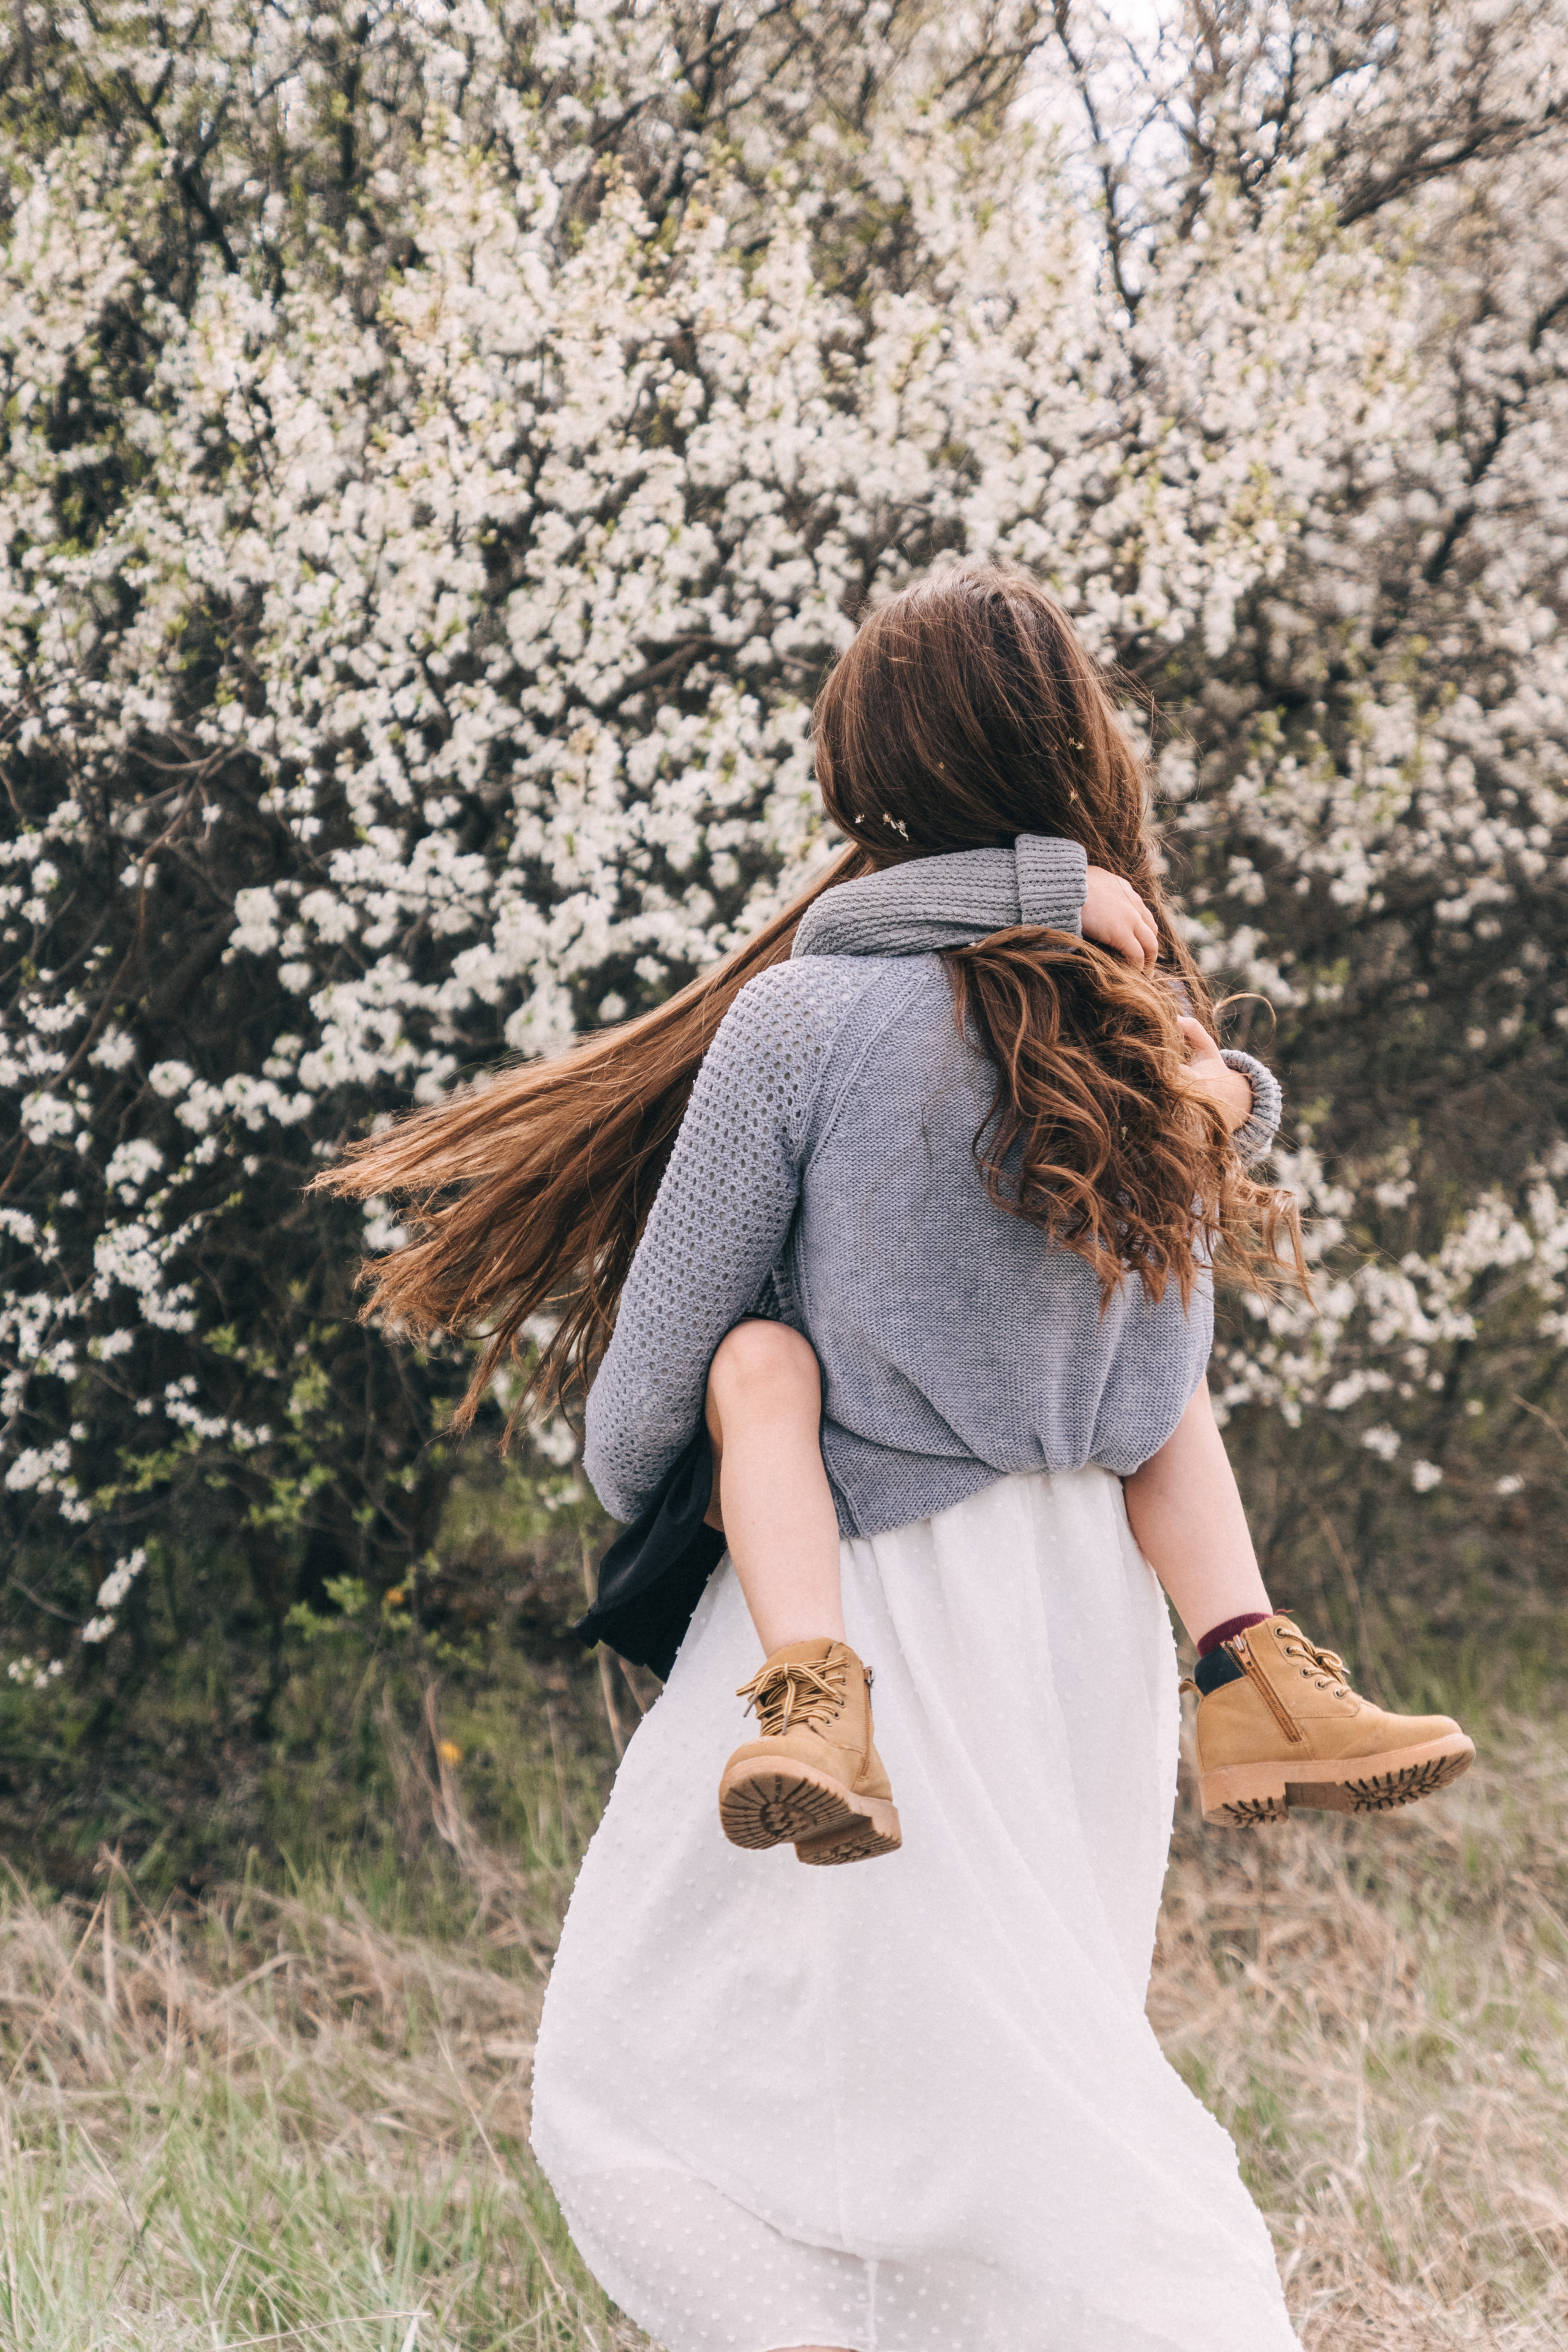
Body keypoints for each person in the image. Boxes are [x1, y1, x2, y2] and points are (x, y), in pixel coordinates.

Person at [323, 564, 1472, 2351]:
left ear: (870, 782)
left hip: (850, 1606)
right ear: (1080, 753)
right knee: (1034, 2050)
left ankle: (1186, 2315)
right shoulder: (1137, 1023)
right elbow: (1165, 1350)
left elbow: (648, 1396)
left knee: (654, 2075)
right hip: (1094, 1614)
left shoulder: (802, 1021)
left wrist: (668, 1479)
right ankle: (1262, 1677)